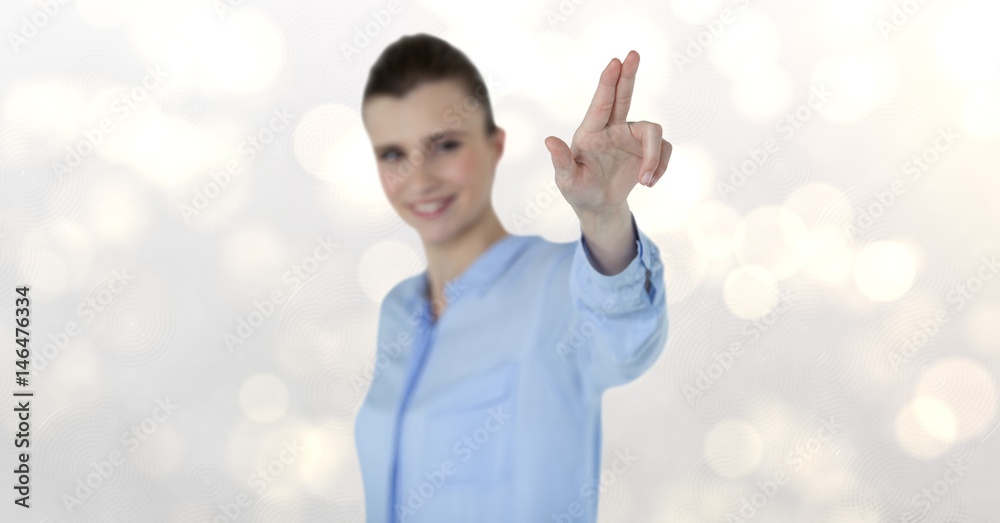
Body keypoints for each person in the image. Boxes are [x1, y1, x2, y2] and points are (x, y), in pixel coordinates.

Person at [354, 33, 671, 523]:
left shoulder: (560, 284)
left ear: (494, 145)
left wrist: (604, 218)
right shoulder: (398, 310)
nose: (419, 179)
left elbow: (626, 333)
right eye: (393, 154)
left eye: (444, 146)